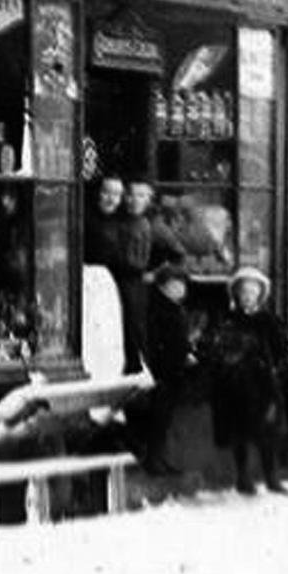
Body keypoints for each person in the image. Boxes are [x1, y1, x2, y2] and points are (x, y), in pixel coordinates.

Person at [208, 266, 288, 494]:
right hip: (236, 384)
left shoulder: (269, 320)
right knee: (240, 432)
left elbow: (281, 349)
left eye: (252, 292)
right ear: (237, 294)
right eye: (244, 292)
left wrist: (276, 366)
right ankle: (243, 478)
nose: (248, 296)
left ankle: (271, 477)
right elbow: (218, 348)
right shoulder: (228, 320)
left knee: (268, 431)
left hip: (263, 384)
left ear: (260, 295)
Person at [86, 177, 181, 374]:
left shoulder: (153, 225)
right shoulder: (116, 219)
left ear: (149, 199)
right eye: (129, 195)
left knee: (133, 330)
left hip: (133, 285)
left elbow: (178, 255)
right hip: (107, 282)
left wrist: (155, 274)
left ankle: (138, 378)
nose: (133, 200)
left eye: (140, 195)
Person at [137, 263, 195, 476]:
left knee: (164, 418)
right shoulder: (161, 310)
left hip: (171, 369)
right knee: (159, 418)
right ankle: (154, 460)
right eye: (176, 285)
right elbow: (162, 342)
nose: (181, 289)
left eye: (182, 285)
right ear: (164, 286)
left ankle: (158, 458)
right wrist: (183, 354)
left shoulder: (170, 307)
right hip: (164, 371)